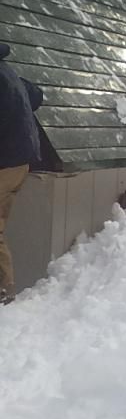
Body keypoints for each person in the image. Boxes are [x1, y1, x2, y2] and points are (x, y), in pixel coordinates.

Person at [0, 43, 43, 304]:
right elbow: (38, 94)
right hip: (20, 163)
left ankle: (4, 291)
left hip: (5, 163)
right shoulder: (9, 73)